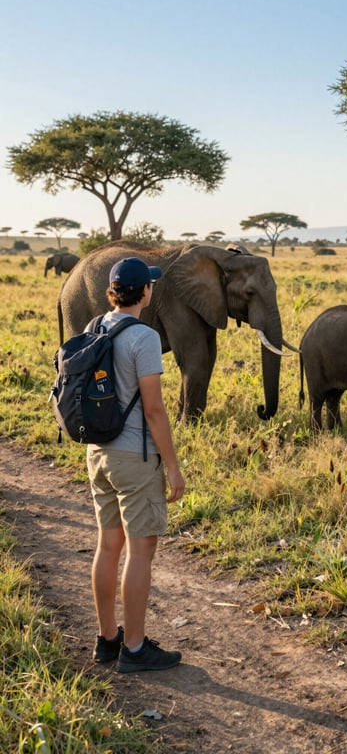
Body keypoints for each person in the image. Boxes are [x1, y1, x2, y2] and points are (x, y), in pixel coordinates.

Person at [88, 256, 186, 672]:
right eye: (149, 285)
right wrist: (174, 466)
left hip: (97, 453)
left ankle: (107, 639)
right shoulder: (144, 336)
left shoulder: (95, 326)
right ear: (145, 292)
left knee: (109, 545)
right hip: (134, 457)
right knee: (141, 551)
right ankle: (134, 647)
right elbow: (154, 411)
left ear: (113, 291)